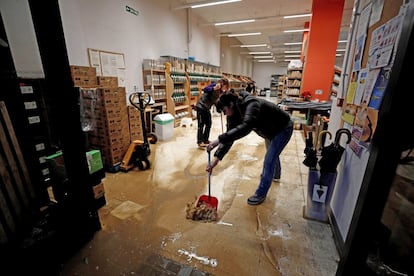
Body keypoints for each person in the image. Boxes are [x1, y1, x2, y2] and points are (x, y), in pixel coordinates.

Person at [206, 91, 294, 205]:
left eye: (224, 111)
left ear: (231, 105)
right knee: (272, 154)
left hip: (283, 128)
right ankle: (275, 175)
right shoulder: (234, 113)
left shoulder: (252, 104)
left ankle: (260, 193)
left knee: (269, 160)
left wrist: (218, 140)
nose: (226, 114)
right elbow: (230, 136)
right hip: (269, 131)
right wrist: (215, 161)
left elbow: (246, 127)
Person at [196, 78, 229, 147]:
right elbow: (205, 89)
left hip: (207, 108)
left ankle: (205, 139)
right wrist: (213, 88)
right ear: (223, 84)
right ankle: (200, 142)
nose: (225, 88)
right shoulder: (214, 85)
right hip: (201, 106)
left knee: (209, 123)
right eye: (225, 86)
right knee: (201, 124)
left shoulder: (220, 92)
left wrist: (219, 109)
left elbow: (215, 101)